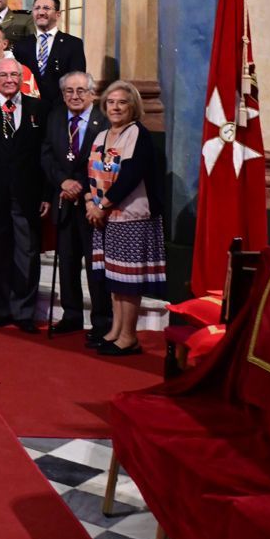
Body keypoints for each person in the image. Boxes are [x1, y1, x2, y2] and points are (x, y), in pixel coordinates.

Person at [86, 80, 166, 356]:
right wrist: (90, 202)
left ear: (133, 106)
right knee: (114, 278)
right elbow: (92, 175)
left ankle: (129, 337)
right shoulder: (101, 135)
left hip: (132, 217)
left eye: (122, 102)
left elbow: (130, 177)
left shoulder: (137, 134)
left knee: (128, 281)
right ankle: (116, 330)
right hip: (106, 217)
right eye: (111, 102)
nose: (116, 107)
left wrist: (103, 205)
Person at [0, 58, 48, 331]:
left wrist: (47, 194)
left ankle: (24, 312)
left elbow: (45, 155)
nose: (8, 79)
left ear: (21, 77)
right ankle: (1, 310)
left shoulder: (38, 108)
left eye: (13, 75)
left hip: (28, 195)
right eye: (2, 75)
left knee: (26, 254)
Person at [42, 71, 112, 345]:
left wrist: (79, 185)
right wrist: (63, 181)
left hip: (92, 205)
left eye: (81, 90)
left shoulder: (104, 121)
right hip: (64, 201)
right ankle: (71, 315)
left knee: (95, 266)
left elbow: (104, 160)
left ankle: (101, 321)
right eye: (69, 91)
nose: (75, 96)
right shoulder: (56, 117)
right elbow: (46, 154)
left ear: (92, 93)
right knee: (68, 262)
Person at [13, 0, 87, 113]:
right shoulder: (21, 45)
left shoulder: (73, 44)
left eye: (46, 8)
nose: (41, 12)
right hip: (28, 111)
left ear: (58, 14)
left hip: (61, 111)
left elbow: (77, 81)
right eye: (37, 8)